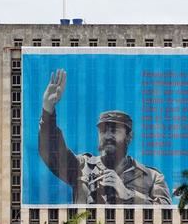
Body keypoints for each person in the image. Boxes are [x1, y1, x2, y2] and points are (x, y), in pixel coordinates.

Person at [38, 69, 171, 205]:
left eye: (114, 130)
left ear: (129, 136)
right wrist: (48, 110)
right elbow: (51, 152)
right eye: (103, 131)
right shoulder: (81, 167)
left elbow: (166, 213)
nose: (107, 136)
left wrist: (128, 194)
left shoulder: (152, 177)